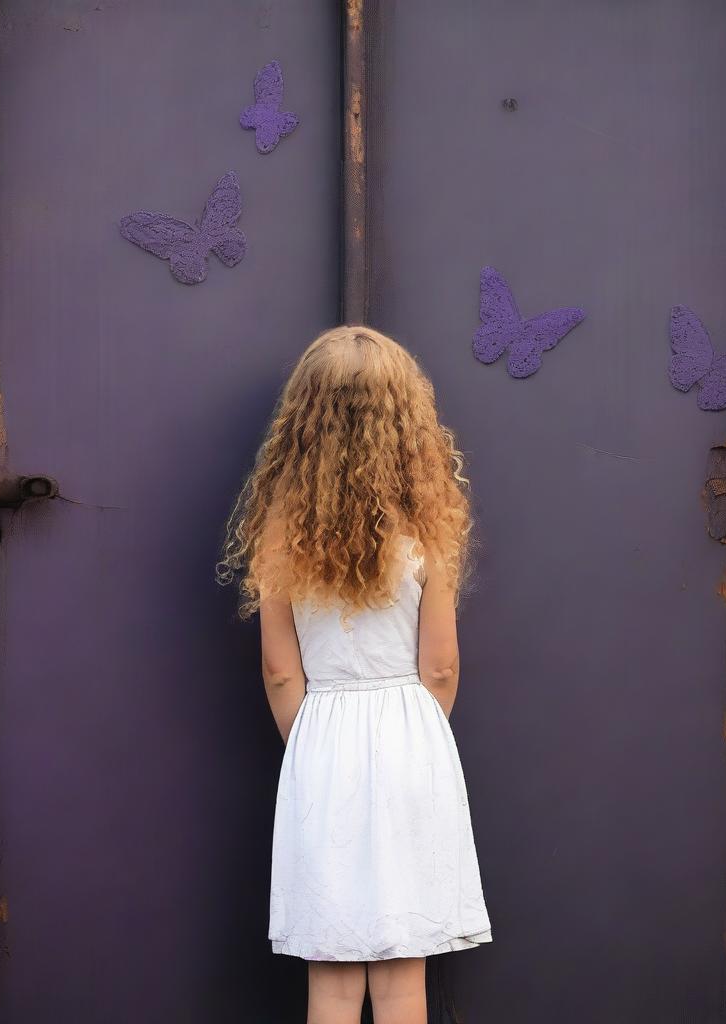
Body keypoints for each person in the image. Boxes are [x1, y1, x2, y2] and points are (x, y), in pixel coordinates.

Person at [217, 325, 492, 1024]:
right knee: (403, 975)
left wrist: (312, 739)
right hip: (410, 738)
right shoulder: (429, 533)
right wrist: (416, 732)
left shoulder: (279, 536)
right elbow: (441, 665)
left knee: (333, 975)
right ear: (407, 420)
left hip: (322, 738)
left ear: (302, 420)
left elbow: (281, 673)